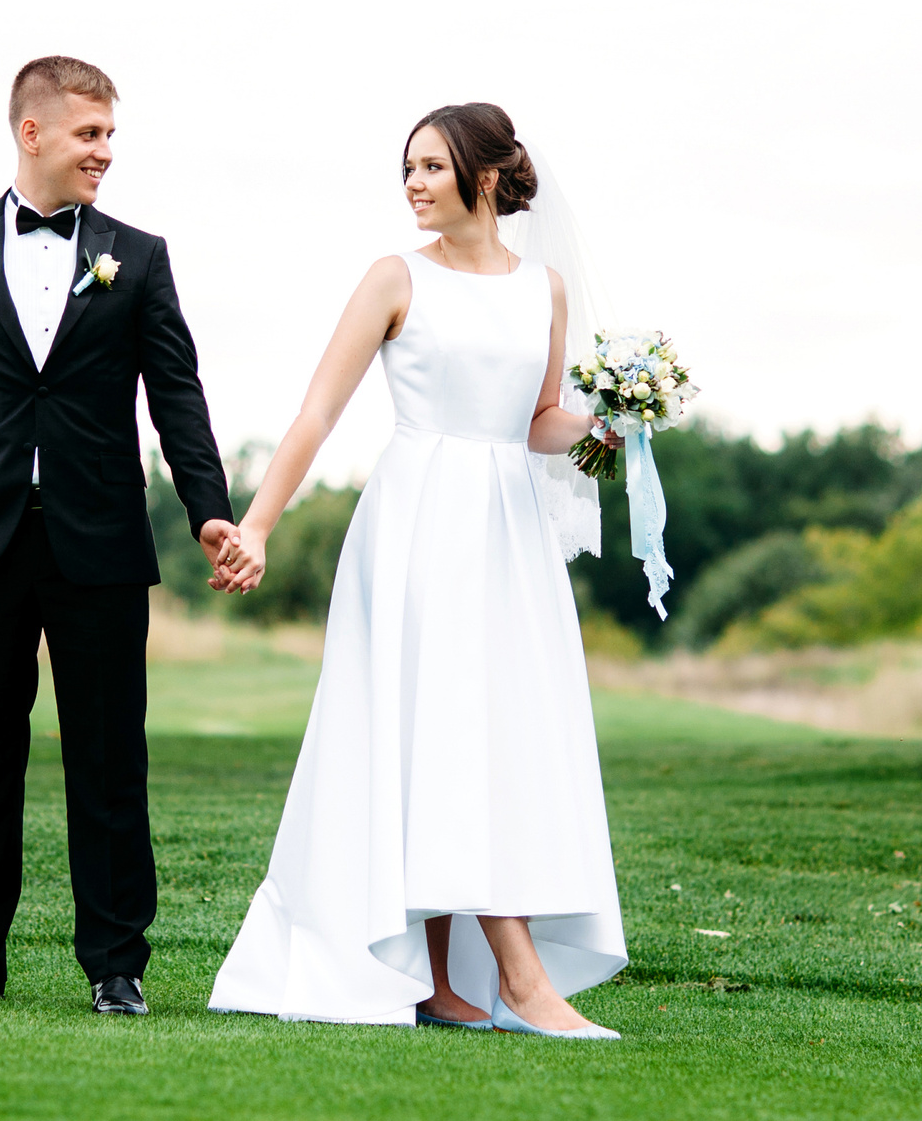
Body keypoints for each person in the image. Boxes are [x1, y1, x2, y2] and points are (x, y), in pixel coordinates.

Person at [206, 102, 627, 1038]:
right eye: (407, 169)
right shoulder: (395, 279)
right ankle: (517, 981)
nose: (413, 184)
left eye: (431, 166)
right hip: (416, 522)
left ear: (484, 175)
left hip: (508, 525)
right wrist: (260, 526)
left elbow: (539, 420)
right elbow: (318, 411)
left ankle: (442, 982)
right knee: (429, 727)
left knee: (488, 731)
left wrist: (615, 432)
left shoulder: (544, 289)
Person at [0, 55, 256, 1017]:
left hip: (103, 543)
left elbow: (178, 400)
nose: (105, 153)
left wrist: (210, 509)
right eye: (90, 135)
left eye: (111, 136)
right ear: (31, 133)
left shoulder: (140, 256)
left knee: (111, 758)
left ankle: (116, 964)